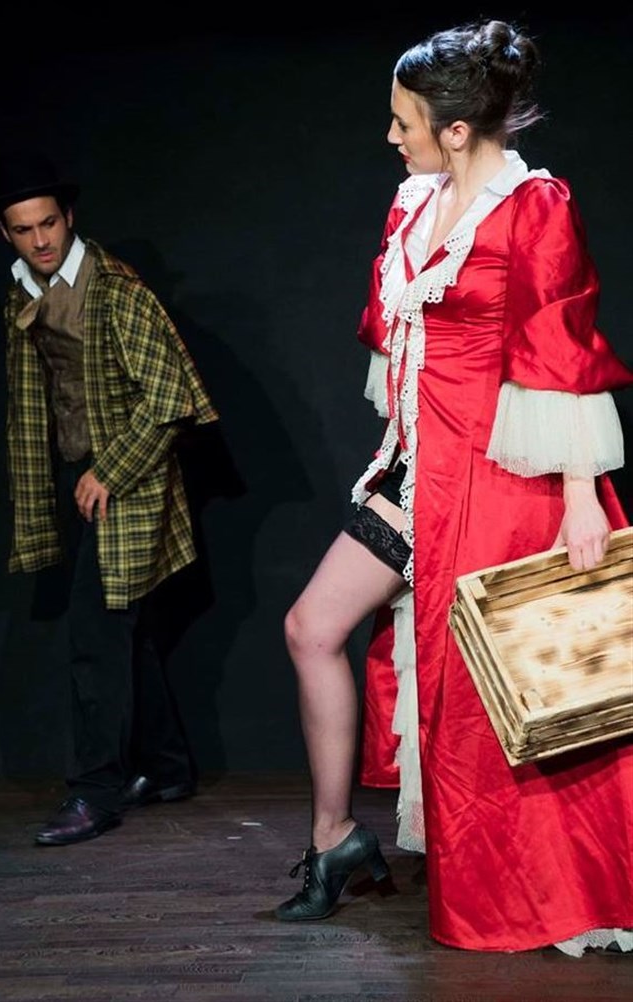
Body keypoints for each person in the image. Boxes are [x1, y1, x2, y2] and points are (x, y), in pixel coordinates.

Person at [275, 19, 633, 954]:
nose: (392, 136)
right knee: (312, 628)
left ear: (458, 129)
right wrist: (398, 443)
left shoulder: (533, 207)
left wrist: (582, 497)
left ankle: (533, 886)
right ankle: (334, 839)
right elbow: (399, 351)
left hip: (500, 477)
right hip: (416, 468)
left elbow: (561, 348)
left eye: (405, 122)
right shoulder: (413, 204)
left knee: (495, 697)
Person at [0, 151, 219, 846]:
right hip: (85, 475)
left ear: (69, 217)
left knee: (95, 637)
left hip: (132, 476)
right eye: (24, 229)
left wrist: (109, 471)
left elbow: (171, 400)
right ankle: (167, 768)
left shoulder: (116, 290)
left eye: (49, 223)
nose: (40, 240)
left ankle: (94, 791)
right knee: (127, 631)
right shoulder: (22, 293)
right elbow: (34, 400)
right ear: (6, 233)